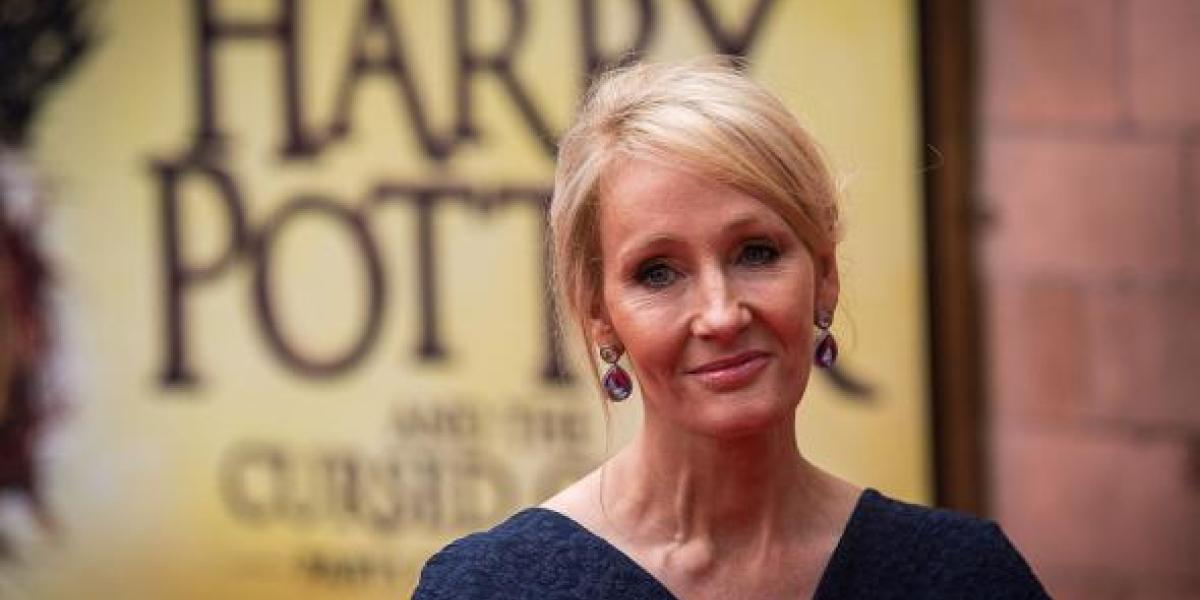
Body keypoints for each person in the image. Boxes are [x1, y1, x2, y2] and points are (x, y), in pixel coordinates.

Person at [412, 58, 1047, 600]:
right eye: (658, 273)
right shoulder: (489, 587)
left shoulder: (963, 575)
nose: (720, 315)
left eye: (756, 253)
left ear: (824, 273)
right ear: (599, 315)